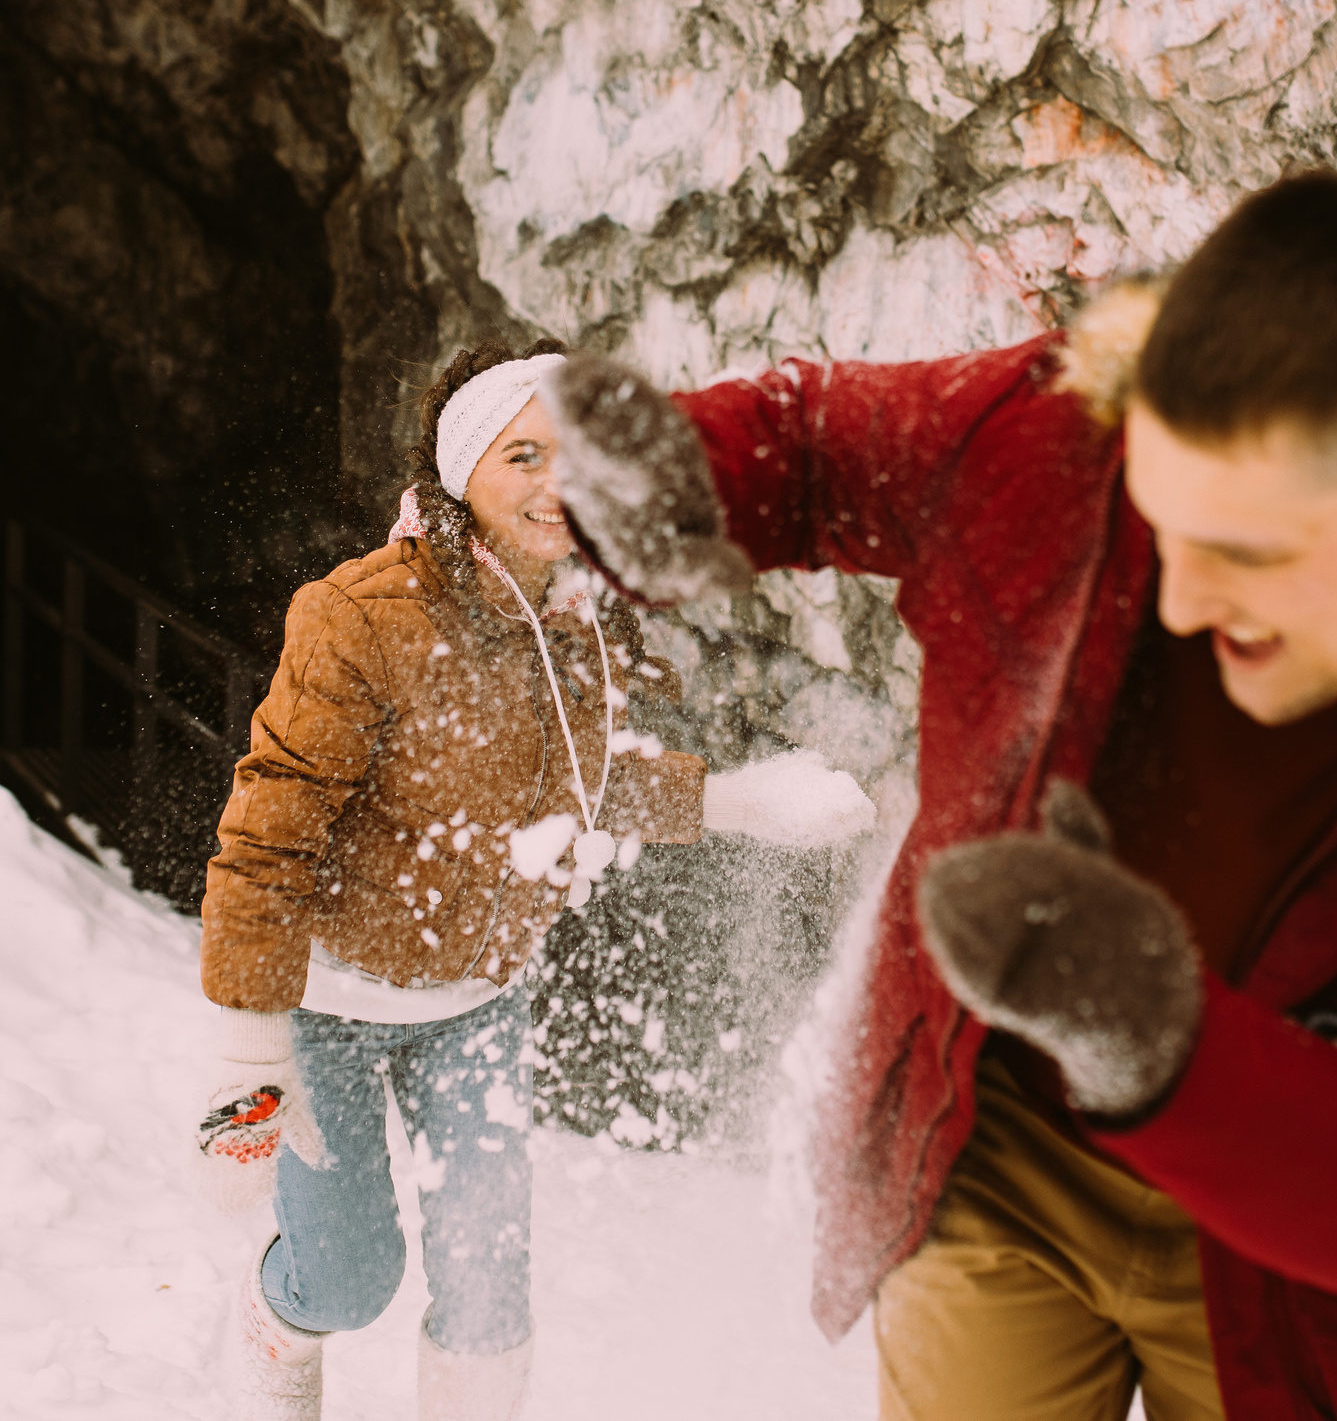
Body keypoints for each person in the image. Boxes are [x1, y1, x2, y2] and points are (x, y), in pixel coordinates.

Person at [535, 173, 1337, 1419]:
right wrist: (694, 478)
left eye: (1247, 555)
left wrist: (1150, 1030)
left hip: (1308, 1279)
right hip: (998, 1142)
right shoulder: (1069, 432)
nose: (1181, 597)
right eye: (1167, 526)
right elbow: (826, 445)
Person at [193, 339, 874, 1421]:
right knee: (349, 1279)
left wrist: (743, 804)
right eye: (522, 454)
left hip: (477, 1003)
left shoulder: (574, 627)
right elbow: (268, 830)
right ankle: (277, 1323)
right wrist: (244, 1056)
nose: (555, 485)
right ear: (461, 469)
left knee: (486, 1294)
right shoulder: (361, 616)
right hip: (327, 1003)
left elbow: (580, 778)